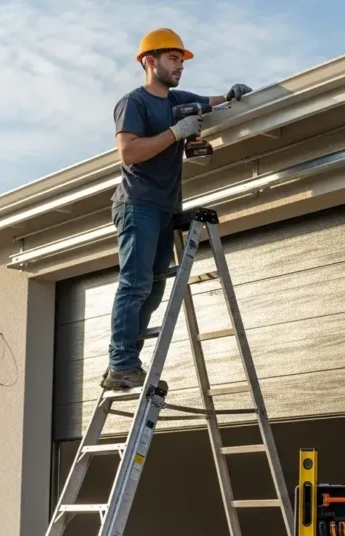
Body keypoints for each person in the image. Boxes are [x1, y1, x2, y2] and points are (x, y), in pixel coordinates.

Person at [102, 28, 254, 390]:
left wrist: (230, 96)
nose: (179, 66)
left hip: (164, 207)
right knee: (135, 285)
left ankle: (124, 363)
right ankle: (121, 362)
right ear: (149, 61)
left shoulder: (177, 100)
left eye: (181, 61)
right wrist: (175, 132)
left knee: (153, 290)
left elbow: (210, 101)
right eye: (173, 59)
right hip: (137, 204)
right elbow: (129, 152)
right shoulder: (134, 103)